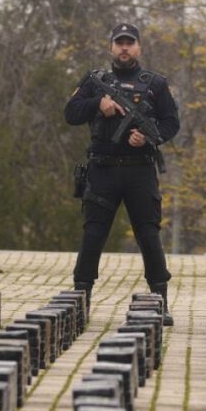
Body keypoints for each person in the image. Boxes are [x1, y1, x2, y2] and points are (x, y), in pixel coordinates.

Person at [64, 23, 180, 325]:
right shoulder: (95, 81)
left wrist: (149, 138)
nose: (124, 48)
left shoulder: (155, 84)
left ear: (139, 48)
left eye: (130, 43)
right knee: (93, 235)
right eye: (119, 43)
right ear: (111, 47)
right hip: (102, 170)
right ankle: (80, 300)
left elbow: (171, 122)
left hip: (140, 171)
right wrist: (97, 105)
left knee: (149, 235)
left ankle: (160, 300)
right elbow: (70, 113)